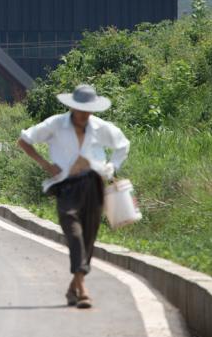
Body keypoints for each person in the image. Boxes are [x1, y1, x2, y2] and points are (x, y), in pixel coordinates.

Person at [16, 83, 129, 309]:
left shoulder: (99, 127)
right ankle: (83, 290)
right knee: (74, 232)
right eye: (81, 110)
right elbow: (24, 140)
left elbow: (122, 145)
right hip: (67, 186)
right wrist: (46, 165)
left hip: (94, 184)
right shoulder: (56, 124)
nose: (84, 114)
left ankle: (73, 287)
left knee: (88, 238)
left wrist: (111, 167)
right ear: (72, 107)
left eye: (88, 110)